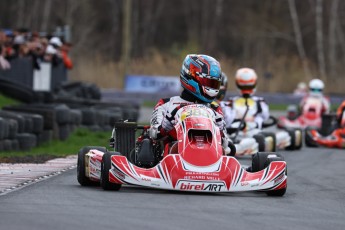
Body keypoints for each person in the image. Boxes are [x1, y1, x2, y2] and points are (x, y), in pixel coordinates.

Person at [149, 54, 235, 155]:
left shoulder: (214, 108)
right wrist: (168, 123)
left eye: (214, 84)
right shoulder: (166, 104)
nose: (212, 88)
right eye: (209, 83)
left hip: (210, 157)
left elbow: (225, 144)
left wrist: (222, 136)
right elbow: (154, 134)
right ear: (191, 77)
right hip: (173, 157)